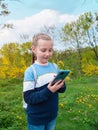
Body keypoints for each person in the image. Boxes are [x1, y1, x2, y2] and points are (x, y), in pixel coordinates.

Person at [23, 33, 66, 130]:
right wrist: (49, 91)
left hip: (52, 115)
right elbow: (28, 98)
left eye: (50, 50)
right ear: (34, 49)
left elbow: (62, 90)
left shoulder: (54, 67)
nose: (47, 54)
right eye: (43, 50)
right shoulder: (31, 71)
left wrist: (61, 85)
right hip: (36, 119)